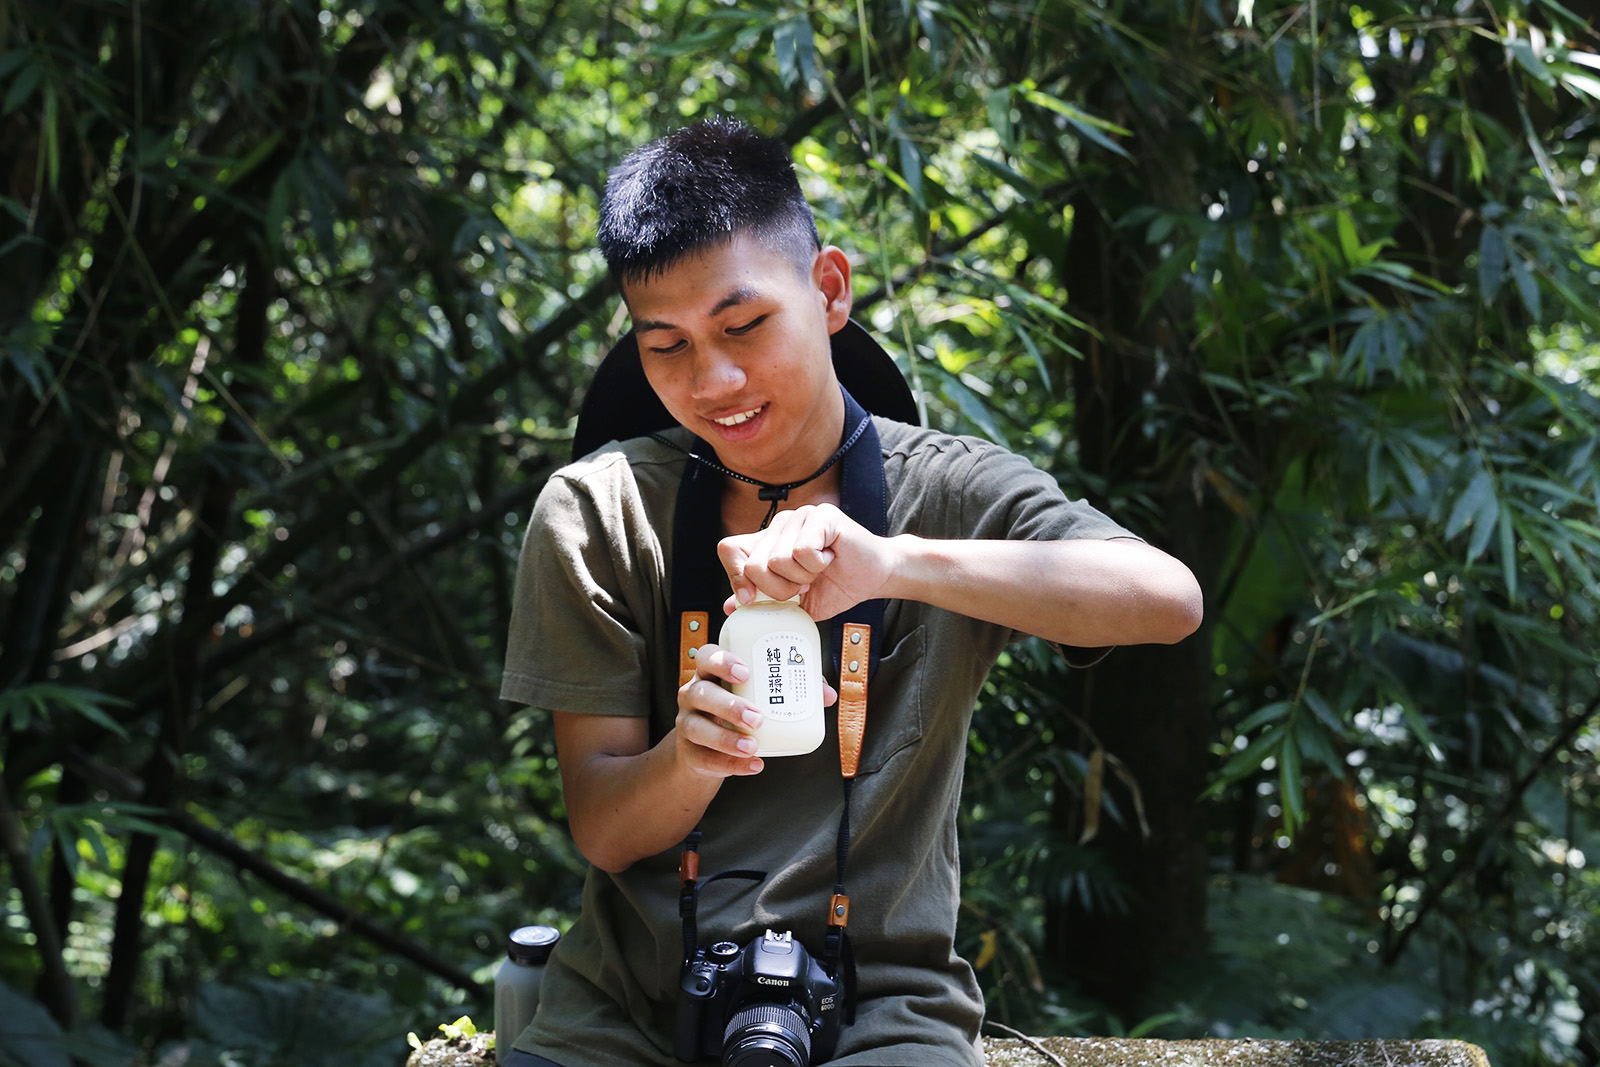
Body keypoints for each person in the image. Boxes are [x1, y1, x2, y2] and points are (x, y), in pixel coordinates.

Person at [498, 117, 1203, 1067]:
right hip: (630, 1008)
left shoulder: (949, 489)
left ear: (829, 288)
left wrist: (894, 563)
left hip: (884, 1007)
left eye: (744, 325)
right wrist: (694, 755)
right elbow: (605, 831)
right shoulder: (600, 510)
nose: (715, 381)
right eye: (665, 345)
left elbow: (1164, 599)